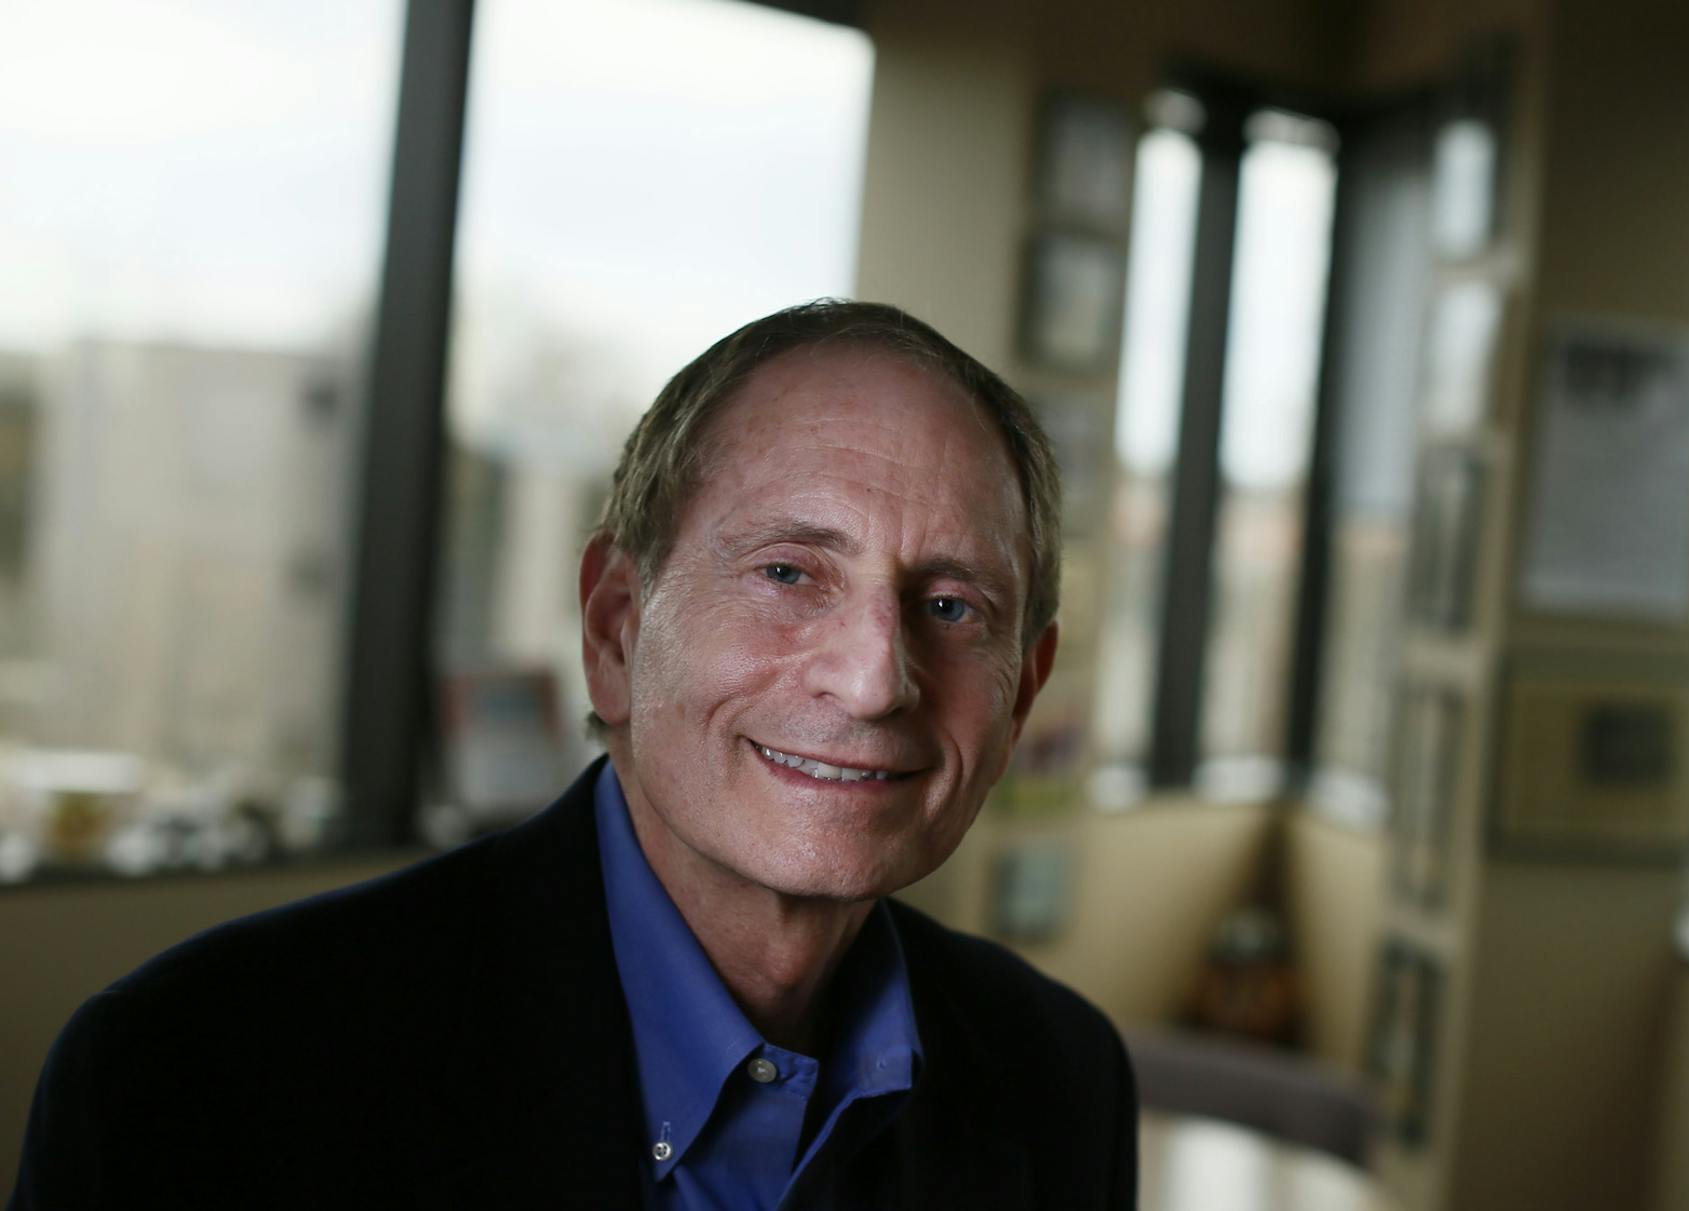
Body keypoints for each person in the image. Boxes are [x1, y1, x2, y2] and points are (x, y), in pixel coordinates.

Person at [9, 300, 1136, 1210]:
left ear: (1022, 694)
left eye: (949, 605)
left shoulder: (1061, 1077)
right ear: (614, 630)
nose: (874, 678)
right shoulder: (192, 1077)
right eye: (789, 572)